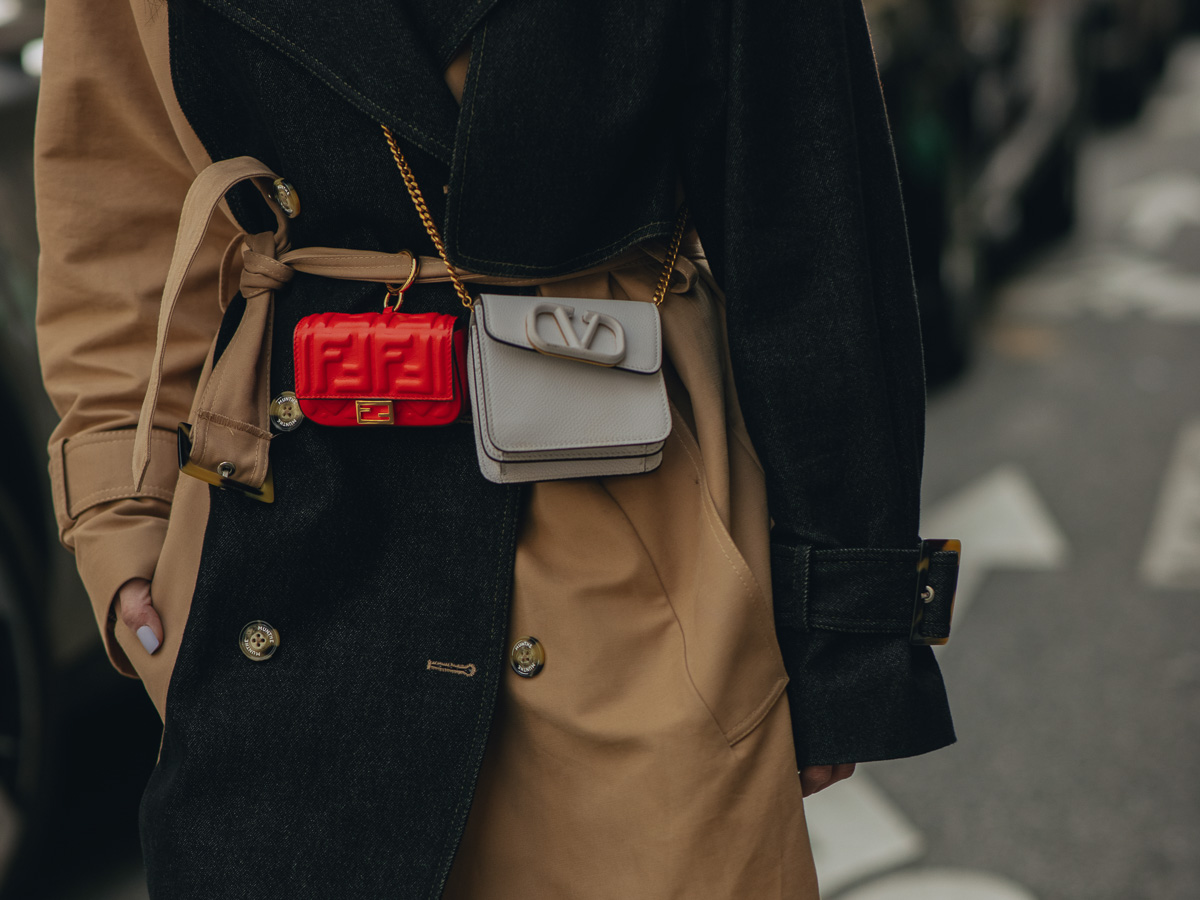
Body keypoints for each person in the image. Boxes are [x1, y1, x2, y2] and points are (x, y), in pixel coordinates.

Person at [35, 0, 960, 897]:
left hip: (626, 525)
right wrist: (126, 521)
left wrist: (843, 611)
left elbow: (803, 198)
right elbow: (118, 204)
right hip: (281, 550)